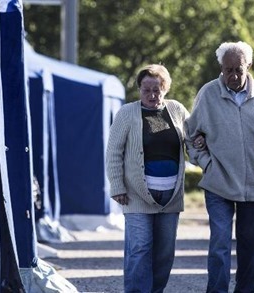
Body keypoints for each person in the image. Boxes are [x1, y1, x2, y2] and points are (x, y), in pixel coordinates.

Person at [185, 41, 254, 293]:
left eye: (238, 70)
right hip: (218, 182)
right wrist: (207, 163)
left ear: (248, 66)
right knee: (219, 243)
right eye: (227, 69)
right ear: (221, 67)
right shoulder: (208, 94)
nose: (232, 75)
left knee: (250, 247)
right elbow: (190, 136)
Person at [105, 64, 189, 292]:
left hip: (170, 196)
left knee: (164, 252)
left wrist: (200, 143)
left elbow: (192, 138)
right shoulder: (127, 113)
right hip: (136, 194)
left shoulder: (177, 110)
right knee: (140, 248)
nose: (152, 95)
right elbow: (113, 151)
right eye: (146, 90)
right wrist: (117, 185)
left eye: (157, 89)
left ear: (165, 88)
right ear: (139, 89)